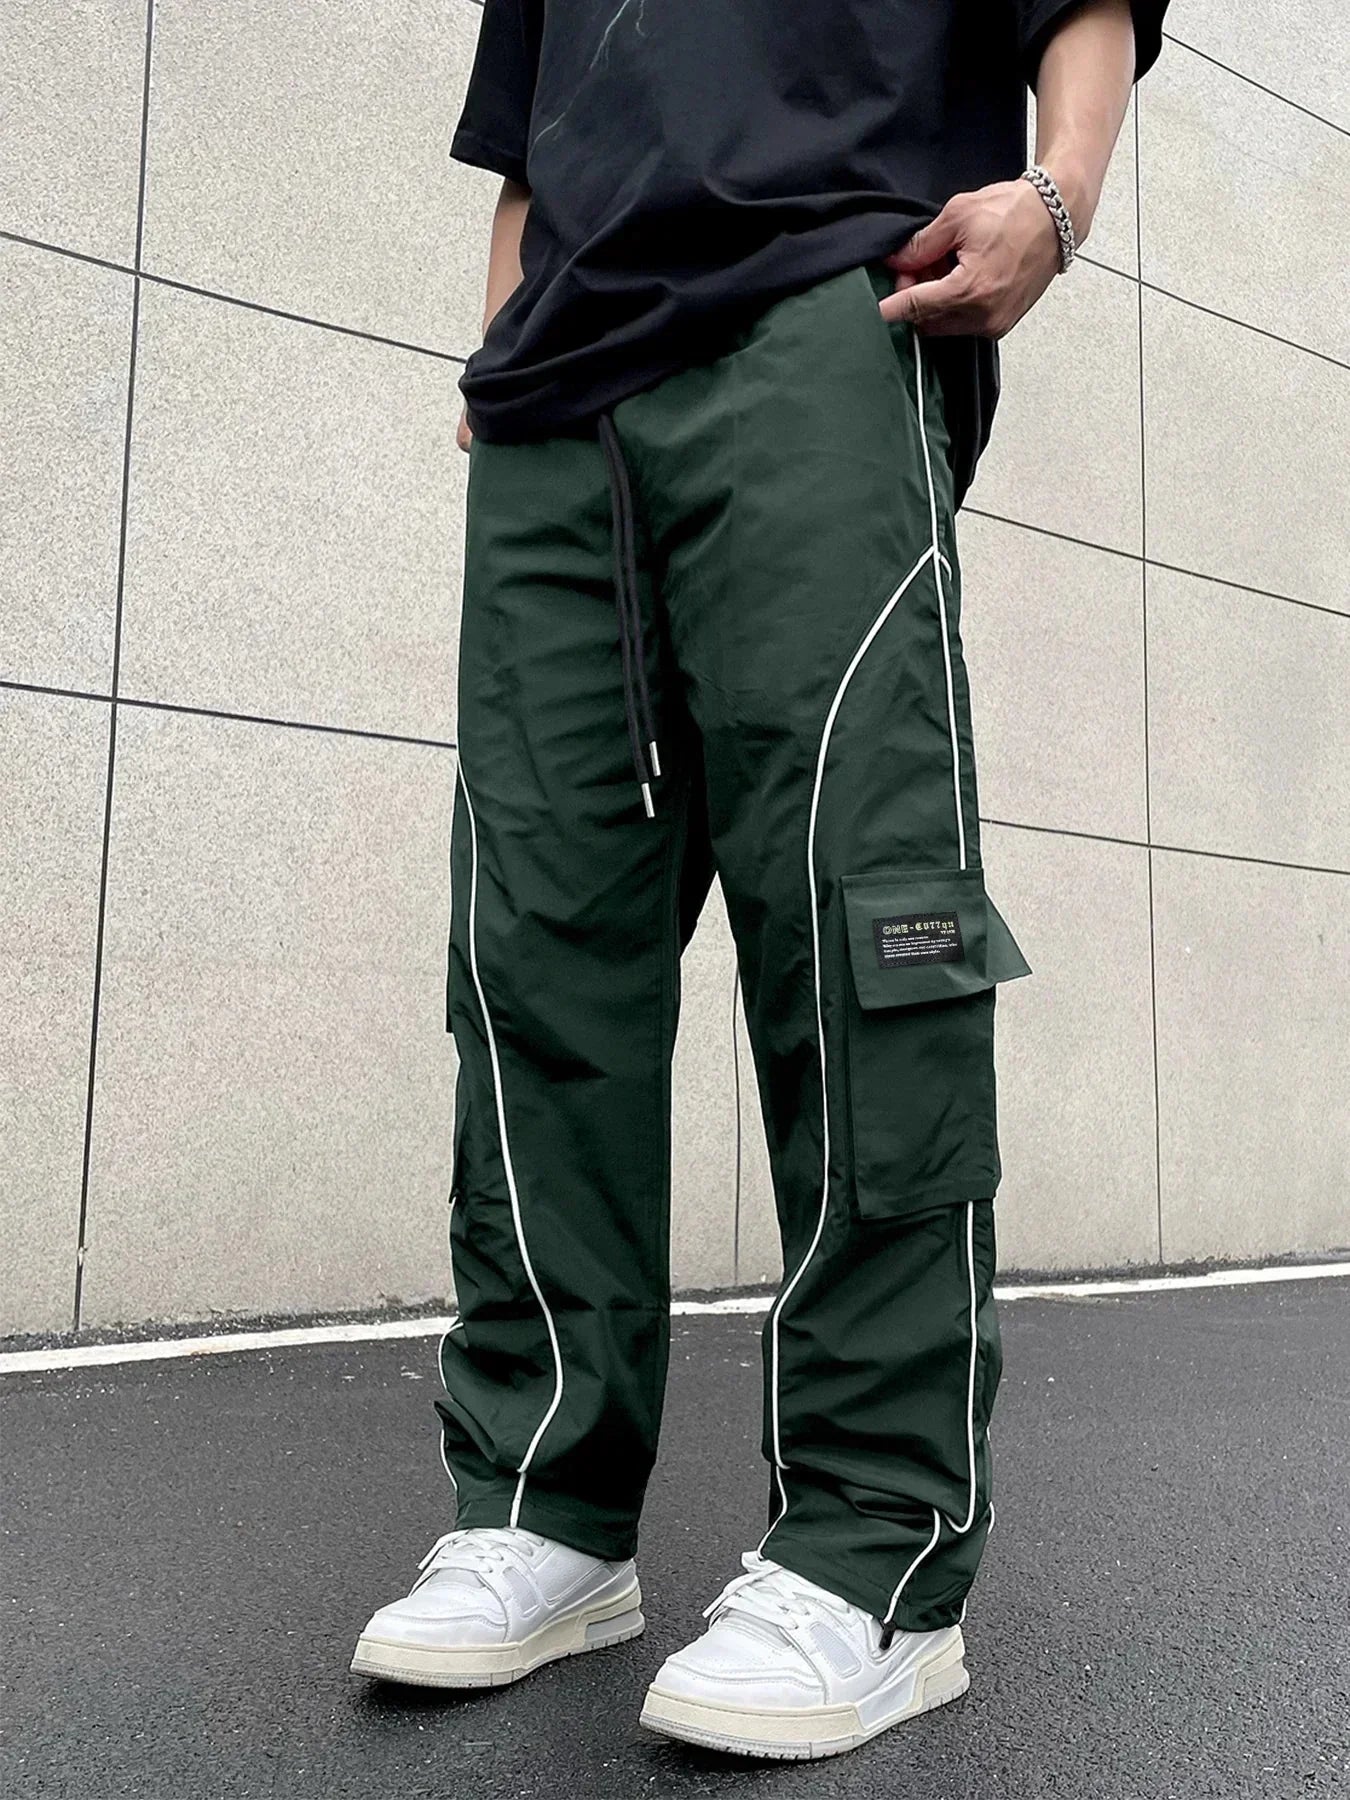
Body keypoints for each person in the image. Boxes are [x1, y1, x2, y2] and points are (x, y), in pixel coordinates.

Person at [352, 0, 1167, 1760]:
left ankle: (874, 1547)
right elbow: (530, 147)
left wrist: (1059, 192)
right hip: (556, 399)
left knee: (866, 924)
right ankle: (543, 1508)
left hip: (825, 310)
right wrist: (498, 351)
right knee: (533, 948)